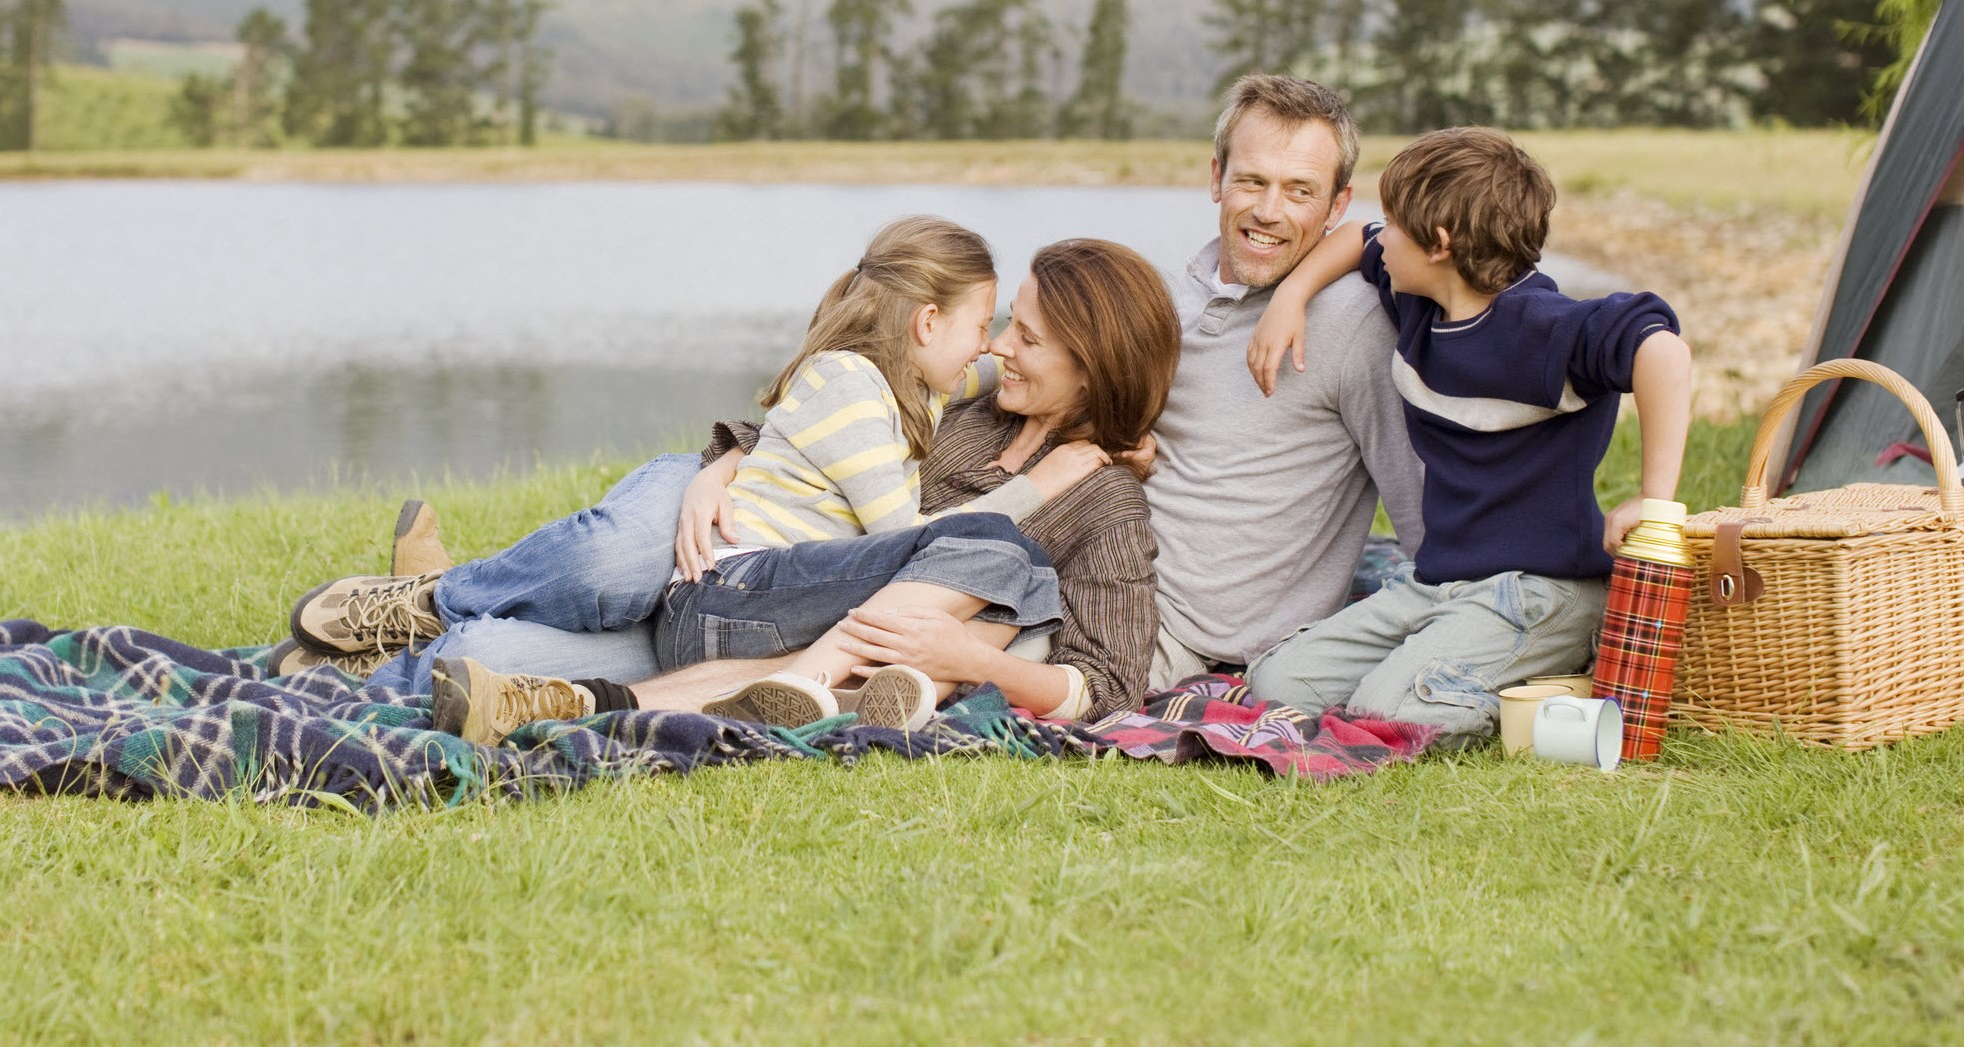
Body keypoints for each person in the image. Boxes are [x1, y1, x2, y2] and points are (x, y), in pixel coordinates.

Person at [276, 217, 1110, 716]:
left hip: (752, 600)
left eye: (1019, 336)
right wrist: (1048, 480)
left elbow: (981, 372)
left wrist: (1089, 408)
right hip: (732, 584)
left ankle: (362, 668)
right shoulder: (861, 387)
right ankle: (427, 597)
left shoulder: (924, 383)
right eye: (988, 325)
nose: (996, 346)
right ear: (926, 324)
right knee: (1003, 554)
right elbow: (903, 533)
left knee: (513, 657)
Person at [430, 238, 1180, 745]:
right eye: (1007, 322)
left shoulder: (1106, 501)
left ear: (1093, 365)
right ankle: (407, 604)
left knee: (487, 653)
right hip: (746, 573)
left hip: (765, 636)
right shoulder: (961, 399)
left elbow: (1108, 685)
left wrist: (972, 658)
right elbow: (811, 430)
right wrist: (721, 467)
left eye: (1030, 338)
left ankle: (589, 703)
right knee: (610, 559)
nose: (998, 345)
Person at [1238, 125, 1694, 748]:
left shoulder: (1544, 330)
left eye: (1396, 223)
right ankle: (1471, 668)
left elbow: (1661, 349)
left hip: (1542, 589)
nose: (1383, 234)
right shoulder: (1419, 304)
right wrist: (1289, 296)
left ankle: (1563, 684)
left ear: (1440, 245)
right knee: (1277, 681)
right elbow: (1352, 239)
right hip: (1436, 584)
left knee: (1386, 716)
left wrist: (1654, 499)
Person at [1138, 74, 1426, 691]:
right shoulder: (1169, 294)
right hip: (1100, 568)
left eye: (1300, 191)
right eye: (1252, 181)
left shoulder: (1357, 326)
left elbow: (1419, 508)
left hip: (1193, 636)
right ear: (1217, 177)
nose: (1269, 211)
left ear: (1338, 206)